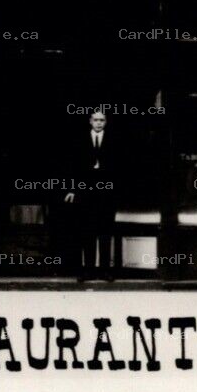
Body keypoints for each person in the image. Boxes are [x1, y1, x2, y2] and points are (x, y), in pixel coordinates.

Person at [63, 107, 120, 279]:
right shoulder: (80, 140)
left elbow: (120, 167)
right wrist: (72, 189)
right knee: (87, 231)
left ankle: (105, 270)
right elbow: (72, 167)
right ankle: (88, 270)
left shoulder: (114, 140)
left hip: (107, 193)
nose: (99, 123)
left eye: (102, 120)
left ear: (106, 122)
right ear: (90, 121)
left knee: (105, 232)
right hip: (86, 193)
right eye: (96, 120)